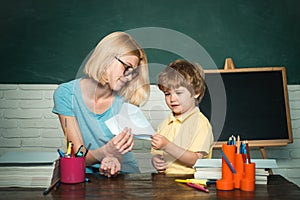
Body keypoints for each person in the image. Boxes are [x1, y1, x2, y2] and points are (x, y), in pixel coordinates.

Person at [52, 31, 150, 177]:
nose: (129, 77)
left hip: (124, 174)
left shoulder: (126, 97)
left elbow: (120, 149)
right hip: (84, 175)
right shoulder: (66, 95)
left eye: (133, 72)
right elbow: (78, 156)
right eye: (126, 67)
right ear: (106, 59)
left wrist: (113, 157)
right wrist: (105, 152)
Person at [151, 59, 214, 174]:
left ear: (196, 92)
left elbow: (196, 159)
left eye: (178, 93)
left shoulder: (201, 123)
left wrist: (167, 145)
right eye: (167, 94)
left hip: (191, 183)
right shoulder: (164, 124)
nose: (172, 99)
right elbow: (158, 155)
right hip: (166, 184)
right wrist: (156, 161)